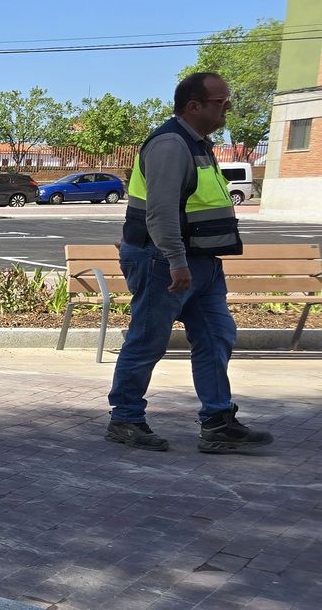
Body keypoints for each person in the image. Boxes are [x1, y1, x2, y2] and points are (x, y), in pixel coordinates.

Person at [105, 72, 273, 454]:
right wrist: (176, 261)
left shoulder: (198, 144)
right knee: (147, 341)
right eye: (221, 102)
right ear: (193, 106)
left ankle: (218, 423)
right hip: (165, 262)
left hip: (201, 263)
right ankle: (125, 419)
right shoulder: (171, 144)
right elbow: (161, 212)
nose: (228, 108)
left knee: (216, 336)